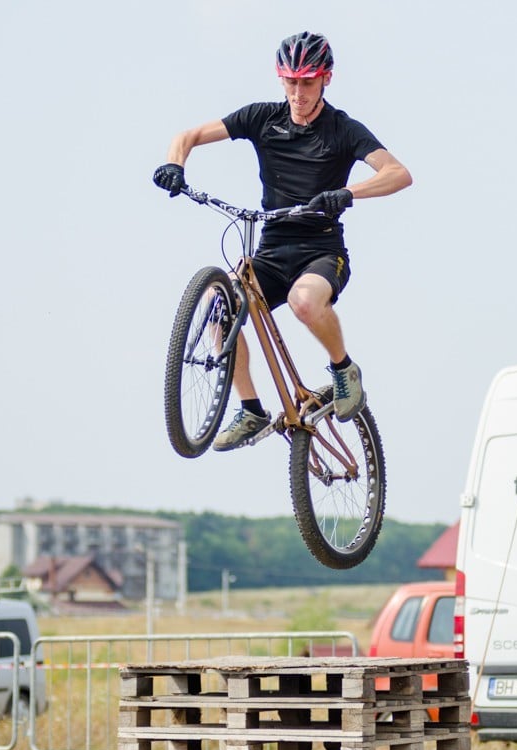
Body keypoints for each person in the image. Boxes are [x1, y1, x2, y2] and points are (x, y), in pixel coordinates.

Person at [154, 30, 412, 451]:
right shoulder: (262, 118)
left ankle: (343, 369)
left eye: (307, 82)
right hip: (271, 249)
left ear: (326, 79)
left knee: (304, 302)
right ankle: (252, 409)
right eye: (290, 81)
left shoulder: (343, 130)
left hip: (321, 250)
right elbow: (187, 137)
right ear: (280, 79)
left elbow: (397, 173)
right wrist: (173, 165)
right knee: (223, 310)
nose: (298, 92)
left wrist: (348, 193)